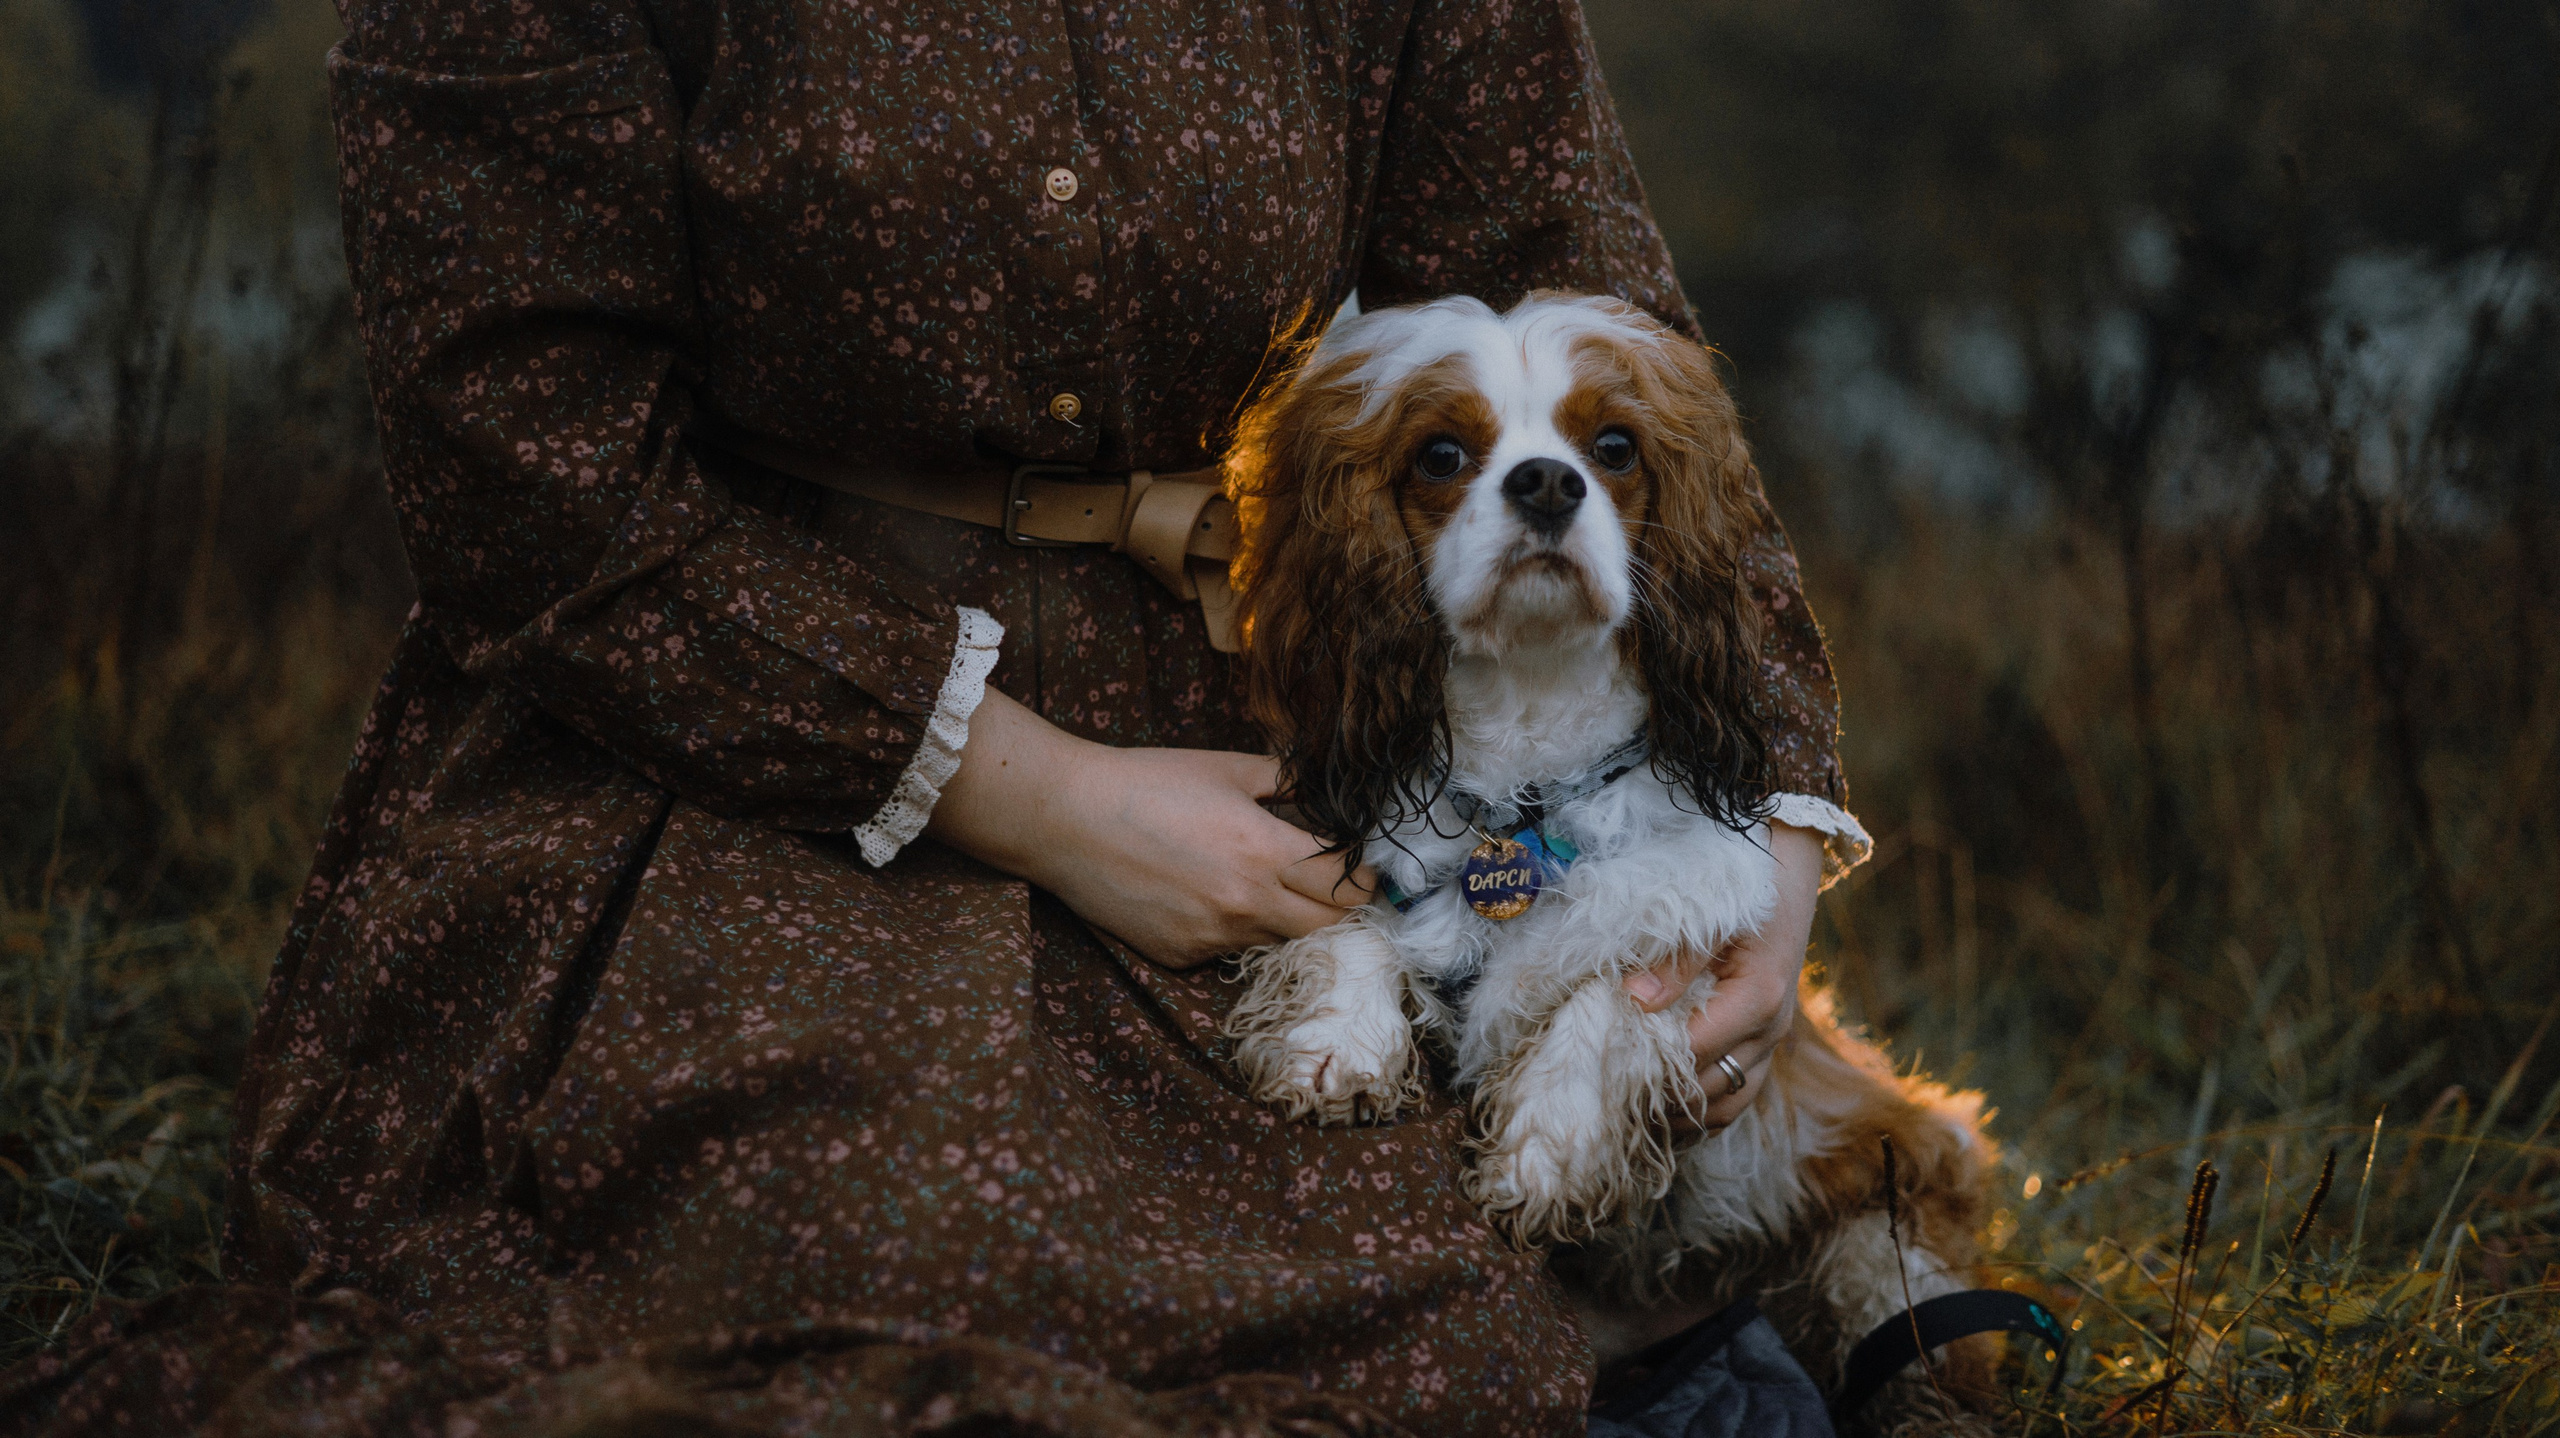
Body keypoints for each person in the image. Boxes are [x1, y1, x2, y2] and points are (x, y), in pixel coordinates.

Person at [2, 0, 1869, 1432]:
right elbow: (519, 464)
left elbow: (1631, 363)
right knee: (895, 1276)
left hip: (1261, 744)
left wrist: (1774, 839)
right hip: (711, 754)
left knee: (1531, 1263)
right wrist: (1040, 793)